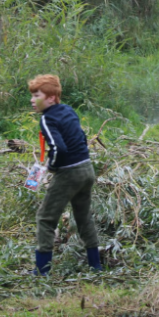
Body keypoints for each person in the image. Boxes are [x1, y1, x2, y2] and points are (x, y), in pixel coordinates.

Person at [28, 74, 101, 275]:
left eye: (37, 95)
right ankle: (96, 265)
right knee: (84, 217)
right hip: (87, 169)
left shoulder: (48, 118)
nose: (32, 100)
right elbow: (81, 136)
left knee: (45, 218)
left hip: (70, 174)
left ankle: (42, 270)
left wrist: (51, 166)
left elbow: (59, 147)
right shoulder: (69, 111)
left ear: (51, 97)